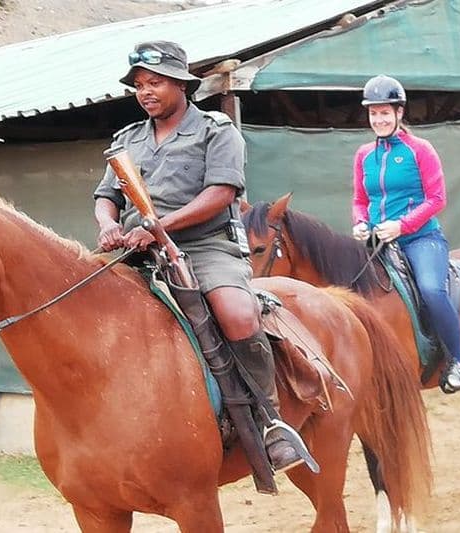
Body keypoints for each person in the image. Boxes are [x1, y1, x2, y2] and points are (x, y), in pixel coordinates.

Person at [93, 40, 306, 471]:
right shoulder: (128, 140)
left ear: (181, 85)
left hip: (206, 247)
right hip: (136, 249)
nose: (145, 91)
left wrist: (159, 228)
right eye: (138, 85)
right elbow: (105, 196)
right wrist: (110, 225)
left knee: (237, 312)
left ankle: (272, 422)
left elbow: (221, 193)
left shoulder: (216, 130)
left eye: (155, 82)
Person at [351, 74, 460, 393]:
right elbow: (360, 200)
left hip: (421, 239)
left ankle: (457, 362)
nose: (378, 119)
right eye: (373, 113)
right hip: (377, 240)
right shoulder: (364, 154)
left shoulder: (420, 149)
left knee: (432, 290)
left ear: (399, 113)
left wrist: (402, 226)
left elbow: (437, 199)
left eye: (384, 113)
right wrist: (360, 222)